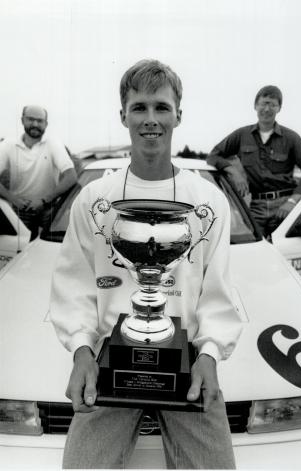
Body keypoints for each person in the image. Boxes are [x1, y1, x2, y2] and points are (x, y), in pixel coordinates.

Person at [50, 59, 243, 469]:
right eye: (139, 107)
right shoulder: (94, 199)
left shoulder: (207, 201)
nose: (150, 119)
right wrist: (82, 351)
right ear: (123, 115)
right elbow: (74, 284)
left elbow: (218, 290)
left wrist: (209, 354)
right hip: (110, 363)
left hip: (187, 364)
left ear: (178, 115)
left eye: (161, 107)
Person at [207, 85, 301, 237]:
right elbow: (213, 156)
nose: (267, 109)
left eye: (272, 104)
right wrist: (233, 171)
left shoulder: (292, 138)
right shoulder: (242, 135)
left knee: (286, 250)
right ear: (255, 105)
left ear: (279, 108)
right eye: (264, 103)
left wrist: (292, 202)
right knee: (248, 246)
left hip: (286, 206)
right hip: (255, 207)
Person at [0, 105, 77, 239]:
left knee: (55, 247)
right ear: (22, 120)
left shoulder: (53, 143)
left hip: (48, 207)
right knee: (21, 252)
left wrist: (44, 200)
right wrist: (13, 199)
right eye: (31, 119)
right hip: (20, 208)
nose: (35, 124)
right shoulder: (8, 144)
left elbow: (71, 176)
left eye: (40, 121)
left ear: (46, 124)